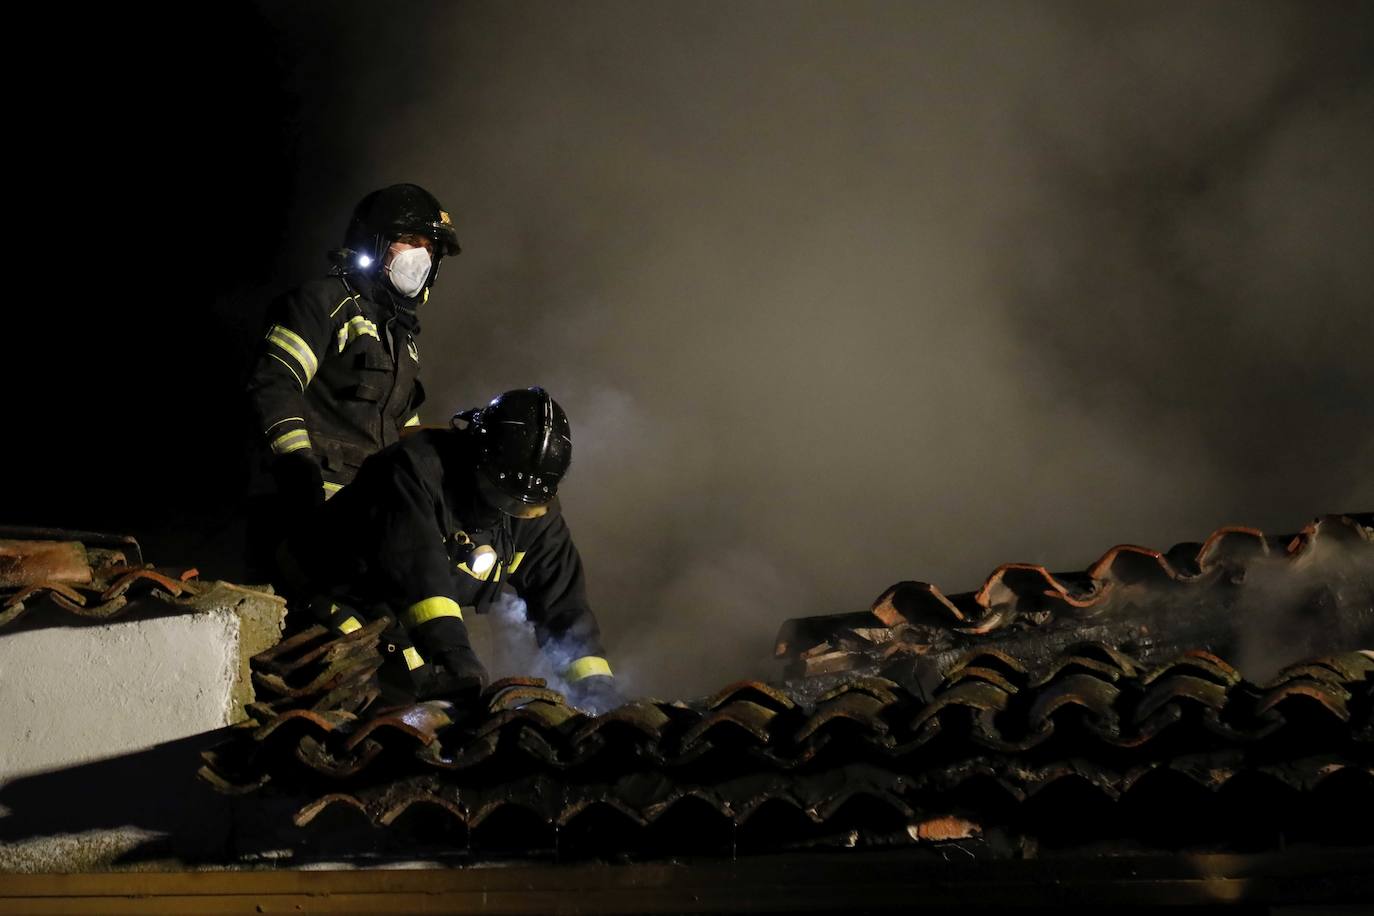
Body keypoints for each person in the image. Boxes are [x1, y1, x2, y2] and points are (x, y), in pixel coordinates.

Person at [277, 387, 622, 712]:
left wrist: (599, 693)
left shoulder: (532, 508)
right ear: (475, 456)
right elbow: (419, 571)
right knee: (378, 715)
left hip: (404, 626)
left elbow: (564, 607)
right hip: (333, 600)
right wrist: (456, 656)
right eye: (499, 495)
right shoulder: (412, 470)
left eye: (521, 506)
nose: (508, 510)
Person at [247, 183, 461, 525]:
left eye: (430, 249)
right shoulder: (323, 304)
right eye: (410, 240)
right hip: (305, 513)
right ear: (374, 242)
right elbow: (274, 384)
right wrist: (298, 471)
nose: (421, 257)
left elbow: (402, 430)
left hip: (374, 517)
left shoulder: (401, 338)